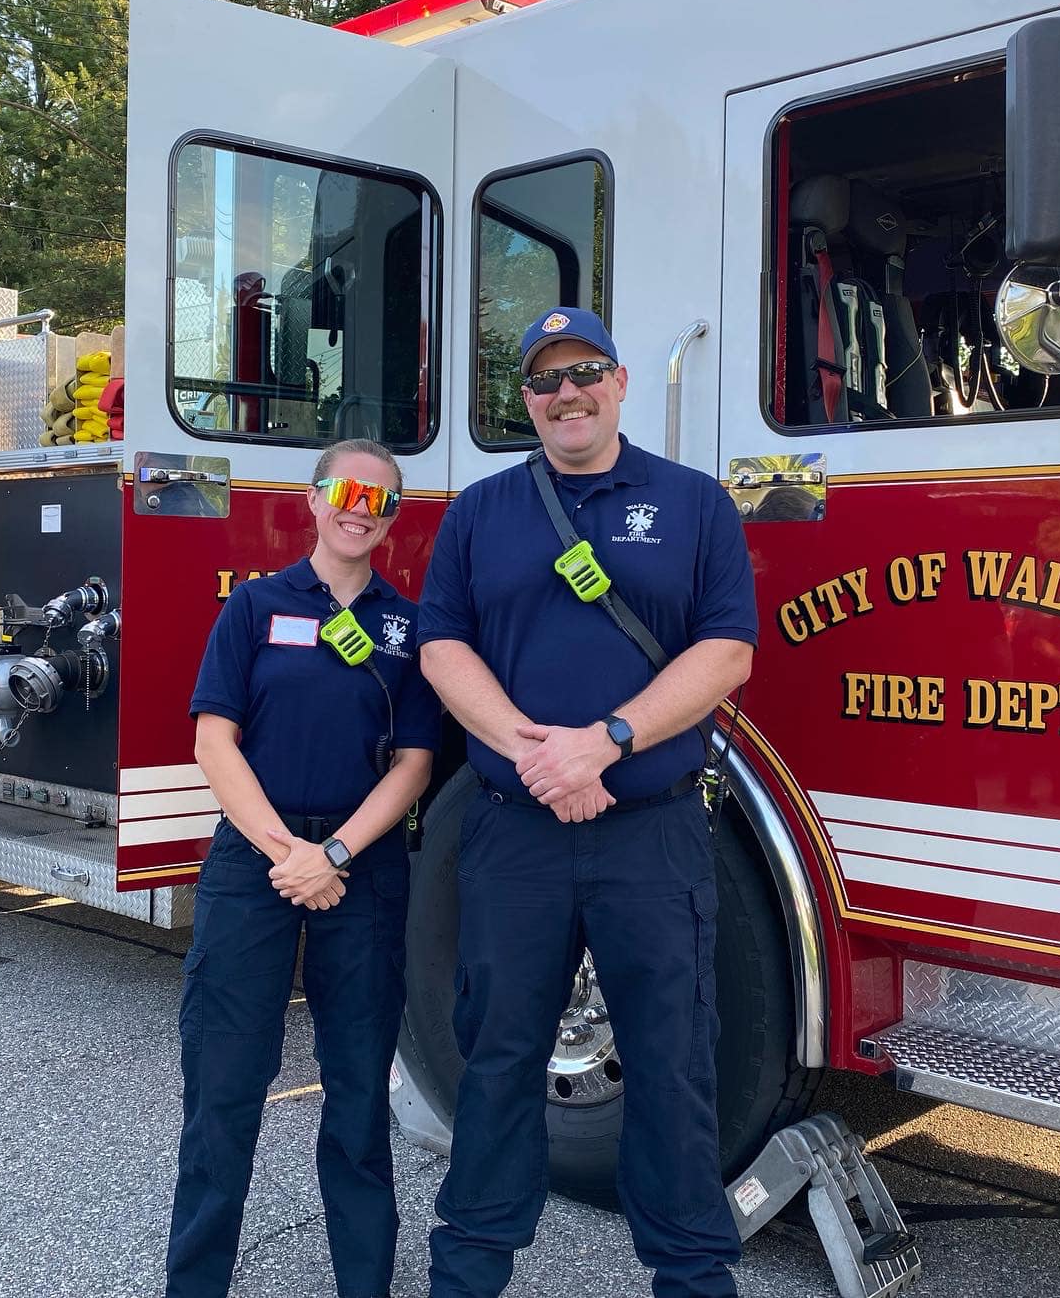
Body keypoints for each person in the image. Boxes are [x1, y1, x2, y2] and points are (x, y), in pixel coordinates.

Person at [417, 307, 756, 1298]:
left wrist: (605, 742)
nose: (566, 393)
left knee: (674, 1066)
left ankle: (694, 1277)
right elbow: (443, 643)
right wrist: (533, 750)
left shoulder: (695, 504)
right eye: (545, 380)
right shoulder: (481, 511)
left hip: (650, 836)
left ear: (619, 382)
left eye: (585, 372)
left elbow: (727, 648)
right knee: (498, 1059)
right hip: (513, 829)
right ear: (526, 399)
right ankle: (467, 1274)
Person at [165, 438, 439, 1298]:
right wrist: (289, 853)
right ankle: (195, 1283)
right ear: (313, 499)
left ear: (394, 517)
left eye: (381, 498)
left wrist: (336, 853)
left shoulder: (408, 626)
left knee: (359, 1091)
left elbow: (415, 762)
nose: (362, 507)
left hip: (360, 868)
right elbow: (215, 739)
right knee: (224, 1084)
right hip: (257, 864)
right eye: (347, 490)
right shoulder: (253, 610)